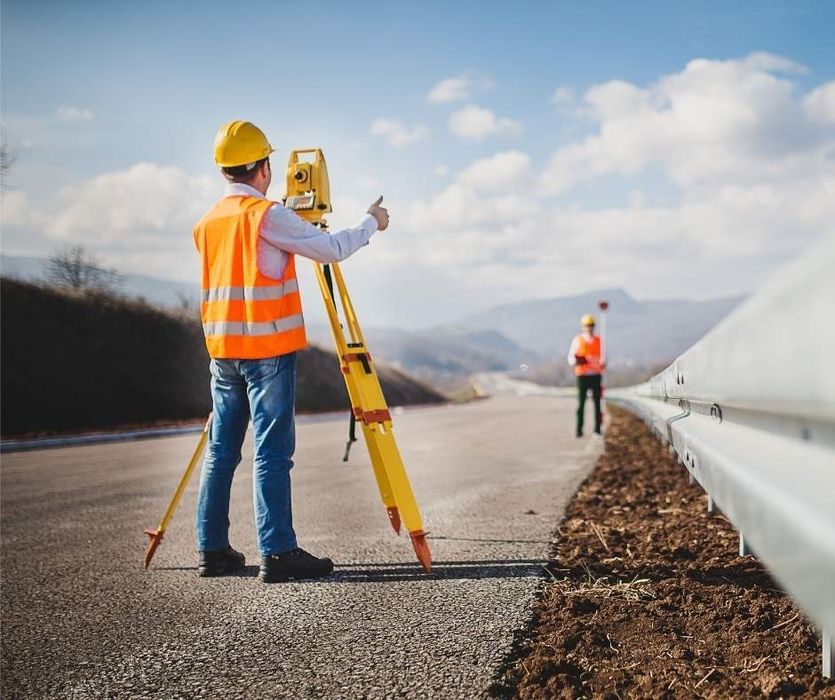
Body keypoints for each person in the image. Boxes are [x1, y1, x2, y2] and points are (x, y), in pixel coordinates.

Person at [192, 121, 389, 582]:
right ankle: (278, 551)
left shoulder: (208, 222)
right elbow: (331, 249)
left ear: (224, 170)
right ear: (263, 167)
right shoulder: (267, 216)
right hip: (267, 351)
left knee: (221, 451)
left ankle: (211, 550)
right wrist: (371, 223)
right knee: (272, 452)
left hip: (223, 352)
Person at [567, 314, 605, 438]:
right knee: (581, 403)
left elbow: (605, 357)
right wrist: (577, 361)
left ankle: (597, 430)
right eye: (587, 325)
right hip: (582, 375)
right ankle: (579, 429)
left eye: (591, 325)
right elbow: (570, 358)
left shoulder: (599, 341)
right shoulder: (577, 340)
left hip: (596, 375)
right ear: (583, 326)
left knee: (597, 404)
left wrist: (603, 363)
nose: (589, 328)